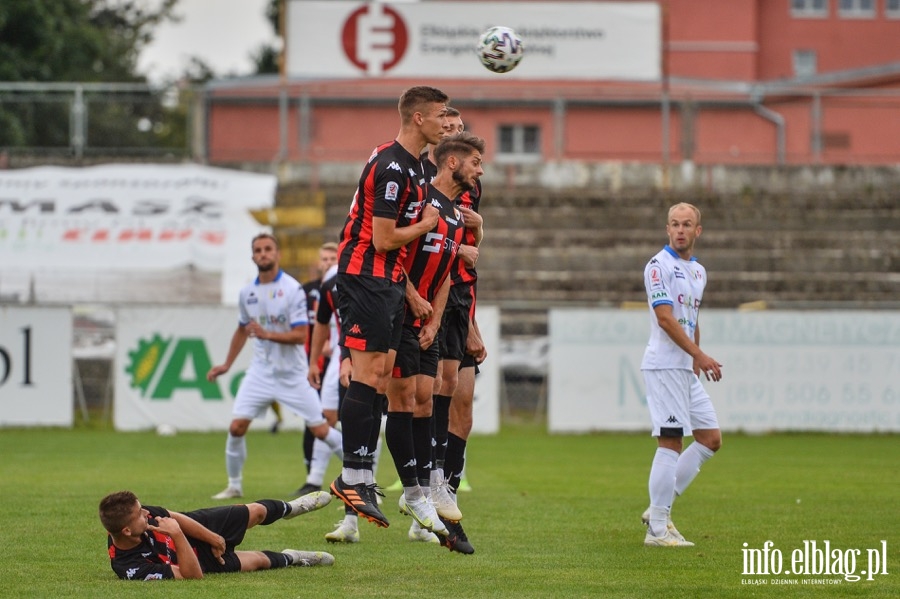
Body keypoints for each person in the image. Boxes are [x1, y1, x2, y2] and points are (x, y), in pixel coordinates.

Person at [330, 85, 449, 530]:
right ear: (418, 118)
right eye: (440, 115)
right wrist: (424, 225)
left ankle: (358, 477)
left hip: (387, 282)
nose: (445, 121)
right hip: (365, 275)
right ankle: (353, 476)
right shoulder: (394, 166)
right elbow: (382, 239)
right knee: (366, 375)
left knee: (379, 375)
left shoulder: (417, 166)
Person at [387, 131, 485, 543]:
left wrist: (435, 318)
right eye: (476, 161)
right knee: (398, 398)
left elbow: (447, 270)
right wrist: (412, 299)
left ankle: (428, 492)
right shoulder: (421, 200)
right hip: (396, 309)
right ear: (450, 161)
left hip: (435, 313)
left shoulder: (452, 211)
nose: (481, 170)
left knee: (431, 398)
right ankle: (405, 489)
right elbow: (390, 251)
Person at [207, 233, 343, 500]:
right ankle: (234, 485)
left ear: (277, 254)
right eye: (258, 250)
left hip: (292, 373)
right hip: (260, 372)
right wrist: (226, 364)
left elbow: (301, 335)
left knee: (321, 429)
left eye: (268, 249)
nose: (263, 254)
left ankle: (360, 473)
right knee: (236, 427)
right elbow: (242, 330)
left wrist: (267, 334)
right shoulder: (248, 292)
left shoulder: (292, 289)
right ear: (253, 256)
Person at [640, 202, 723, 547]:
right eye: (674, 224)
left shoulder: (698, 271)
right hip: (663, 365)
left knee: (710, 439)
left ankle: (659, 507)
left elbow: (692, 318)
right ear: (667, 228)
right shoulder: (658, 266)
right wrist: (699, 354)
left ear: (697, 231)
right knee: (671, 441)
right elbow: (666, 318)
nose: (679, 230)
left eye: (686, 224)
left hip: (683, 369)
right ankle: (658, 529)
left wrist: (694, 360)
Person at [427, 108, 485, 554]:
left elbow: (467, 258)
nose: (453, 133)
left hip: (461, 302)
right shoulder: (418, 183)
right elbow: (447, 254)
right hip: (431, 299)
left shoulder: (470, 187)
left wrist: (473, 323)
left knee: (462, 405)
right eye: (447, 128)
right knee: (429, 393)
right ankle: (424, 489)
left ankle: (443, 491)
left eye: (458, 128)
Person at [99, 489, 334, 580]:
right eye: (140, 514)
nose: (147, 513)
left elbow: (177, 517)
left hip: (197, 526)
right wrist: (177, 536)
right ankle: (293, 557)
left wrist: (212, 537)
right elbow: (193, 576)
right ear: (126, 531)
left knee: (256, 512)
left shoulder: (141, 517)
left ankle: (291, 509)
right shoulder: (130, 567)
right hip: (195, 561)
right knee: (259, 561)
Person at [294, 242, 339, 467]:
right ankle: (311, 469)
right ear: (318, 263)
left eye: (333, 258)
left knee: (347, 418)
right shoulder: (306, 291)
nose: (329, 263)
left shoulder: (346, 286)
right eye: (325, 259)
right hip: (314, 362)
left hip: (341, 358)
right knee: (313, 417)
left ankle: (358, 471)